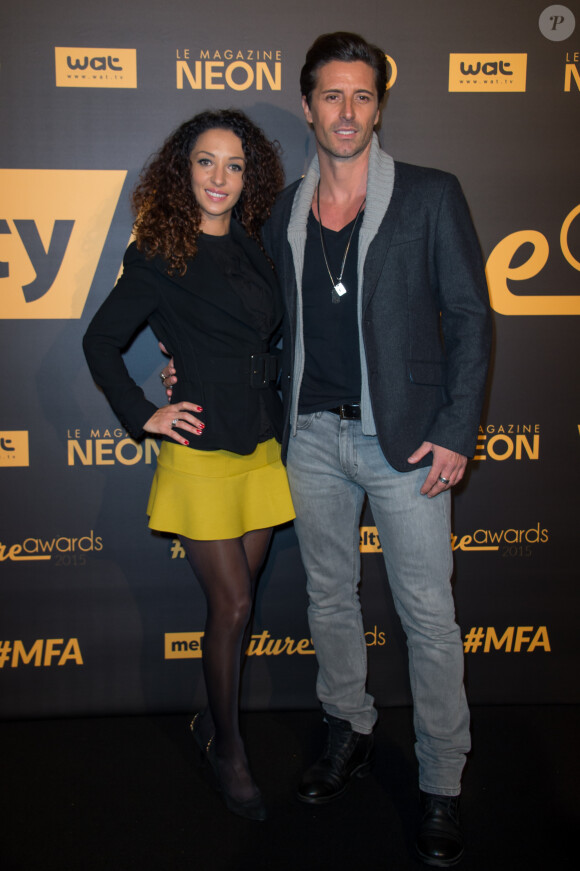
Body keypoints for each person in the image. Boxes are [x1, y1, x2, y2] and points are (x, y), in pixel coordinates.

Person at [163, 32, 492, 866]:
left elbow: (473, 319)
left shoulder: (429, 195)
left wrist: (456, 430)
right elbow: (250, 320)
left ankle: (442, 780)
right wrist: (185, 363)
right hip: (306, 437)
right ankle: (347, 729)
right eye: (331, 97)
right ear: (308, 106)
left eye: (362, 96)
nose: (346, 112)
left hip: (407, 442)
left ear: (378, 106)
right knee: (329, 599)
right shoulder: (279, 212)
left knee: (427, 615)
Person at [83, 109, 295, 822]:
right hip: (200, 450)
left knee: (245, 601)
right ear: (184, 169)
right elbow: (100, 343)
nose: (220, 178)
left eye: (234, 165)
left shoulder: (261, 247)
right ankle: (229, 751)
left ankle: (212, 718)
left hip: (261, 443)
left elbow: (270, 337)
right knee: (231, 604)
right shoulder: (158, 254)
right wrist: (144, 410)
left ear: (250, 176)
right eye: (206, 162)